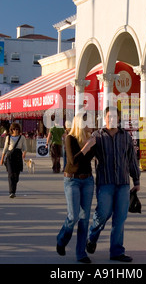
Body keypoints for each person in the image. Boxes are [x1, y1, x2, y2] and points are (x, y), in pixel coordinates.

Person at [86, 106, 140, 262]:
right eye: (109, 117)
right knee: (103, 213)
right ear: (105, 118)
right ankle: (92, 236)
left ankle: (117, 251)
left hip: (123, 183)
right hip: (105, 183)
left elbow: (131, 159)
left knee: (120, 218)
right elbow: (86, 157)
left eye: (115, 117)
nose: (112, 120)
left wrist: (136, 180)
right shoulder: (98, 136)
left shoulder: (126, 137)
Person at [56, 112, 96, 263]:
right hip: (72, 179)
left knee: (84, 217)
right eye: (89, 122)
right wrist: (87, 146)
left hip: (87, 180)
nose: (91, 125)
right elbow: (73, 161)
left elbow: (89, 160)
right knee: (73, 216)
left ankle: (81, 253)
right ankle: (61, 239)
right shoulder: (70, 138)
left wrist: (91, 145)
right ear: (81, 124)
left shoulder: (92, 140)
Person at [0, 123, 27, 198]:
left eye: (17, 129)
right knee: (11, 174)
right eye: (14, 129)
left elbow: (25, 147)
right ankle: (12, 192)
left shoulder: (22, 137)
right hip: (10, 156)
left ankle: (13, 186)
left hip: (18, 155)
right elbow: (5, 148)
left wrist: (24, 153)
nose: (16, 131)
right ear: (11, 130)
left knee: (16, 175)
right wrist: (2, 158)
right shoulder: (8, 137)